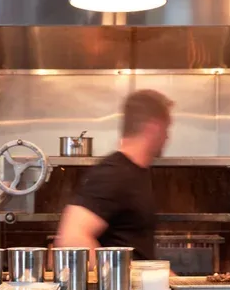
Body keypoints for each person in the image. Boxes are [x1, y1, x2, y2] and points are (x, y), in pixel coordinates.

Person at [55, 89, 172, 260]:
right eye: (166, 128)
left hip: (139, 286)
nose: (168, 136)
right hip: (122, 287)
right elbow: (72, 240)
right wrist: (126, 276)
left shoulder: (135, 173)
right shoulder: (113, 174)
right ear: (153, 128)